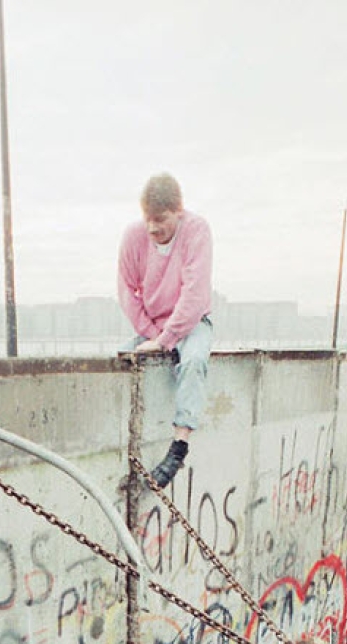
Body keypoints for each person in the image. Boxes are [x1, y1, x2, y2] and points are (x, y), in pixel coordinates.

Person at [118, 173, 212, 488]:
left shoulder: (196, 231)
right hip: (151, 325)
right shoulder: (133, 237)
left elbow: (195, 294)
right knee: (122, 361)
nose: (153, 228)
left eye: (161, 219)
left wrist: (167, 339)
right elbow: (126, 290)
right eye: (148, 219)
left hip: (191, 321)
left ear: (179, 211)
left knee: (194, 361)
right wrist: (152, 335)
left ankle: (179, 445)